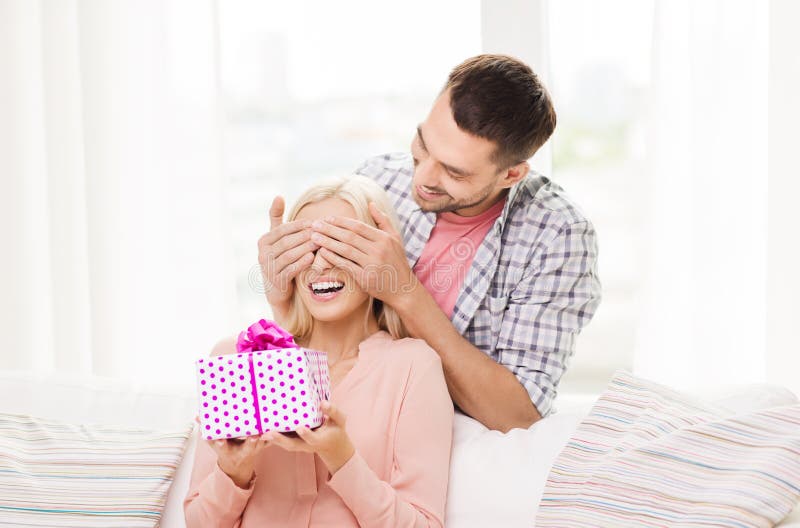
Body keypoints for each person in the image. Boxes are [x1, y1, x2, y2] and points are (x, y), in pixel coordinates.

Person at [261, 54, 602, 433]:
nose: (421, 178)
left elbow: (518, 417)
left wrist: (405, 291)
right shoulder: (379, 180)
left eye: (454, 171)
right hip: (355, 425)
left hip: (453, 442)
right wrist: (284, 298)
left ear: (511, 173)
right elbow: (321, 343)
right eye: (422, 145)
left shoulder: (556, 235)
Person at [185, 176, 454, 528]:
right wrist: (233, 472)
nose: (320, 265)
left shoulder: (412, 367)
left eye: (341, 247)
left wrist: (341, 456)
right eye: (304, 248)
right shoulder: (237, 360)